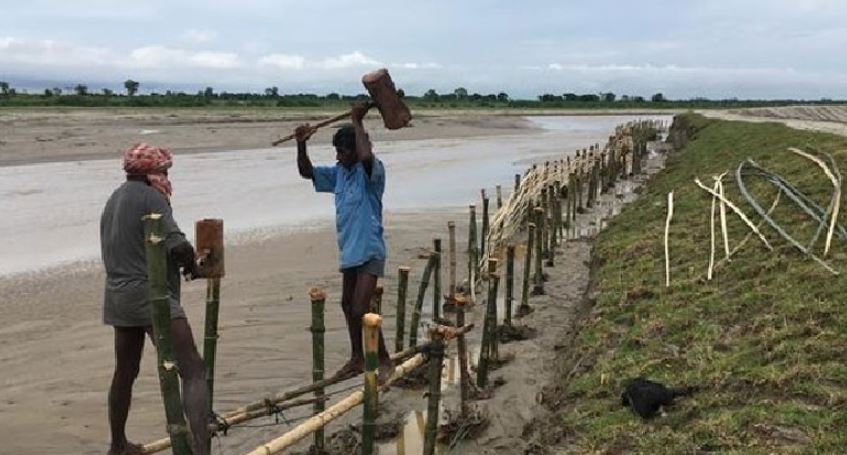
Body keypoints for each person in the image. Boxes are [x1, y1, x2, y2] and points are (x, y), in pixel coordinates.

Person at [100, 143, 209, 455]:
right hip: (150, 294)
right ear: (153, 173)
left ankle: (118, 444)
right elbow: (177, 245)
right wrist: (192, 264)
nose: (167, 178)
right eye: (165, 172)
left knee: (125, 371)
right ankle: (202, 449)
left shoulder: (114, 199)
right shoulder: (152, 197)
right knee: (193, 369)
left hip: (117, 296)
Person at [296, 103, 394, 383]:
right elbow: (307, 172)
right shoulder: (340, 172)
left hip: (370, 248)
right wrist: (301, 144)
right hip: (349, 249)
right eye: (337, 152)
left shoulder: (372, 172)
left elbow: (366, 156)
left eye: (343, 151)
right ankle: (357, 358)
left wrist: (356, 121)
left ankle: (384, 360)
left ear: (356, 150)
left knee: (361, 308)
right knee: (347, 304)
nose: (338, 157)